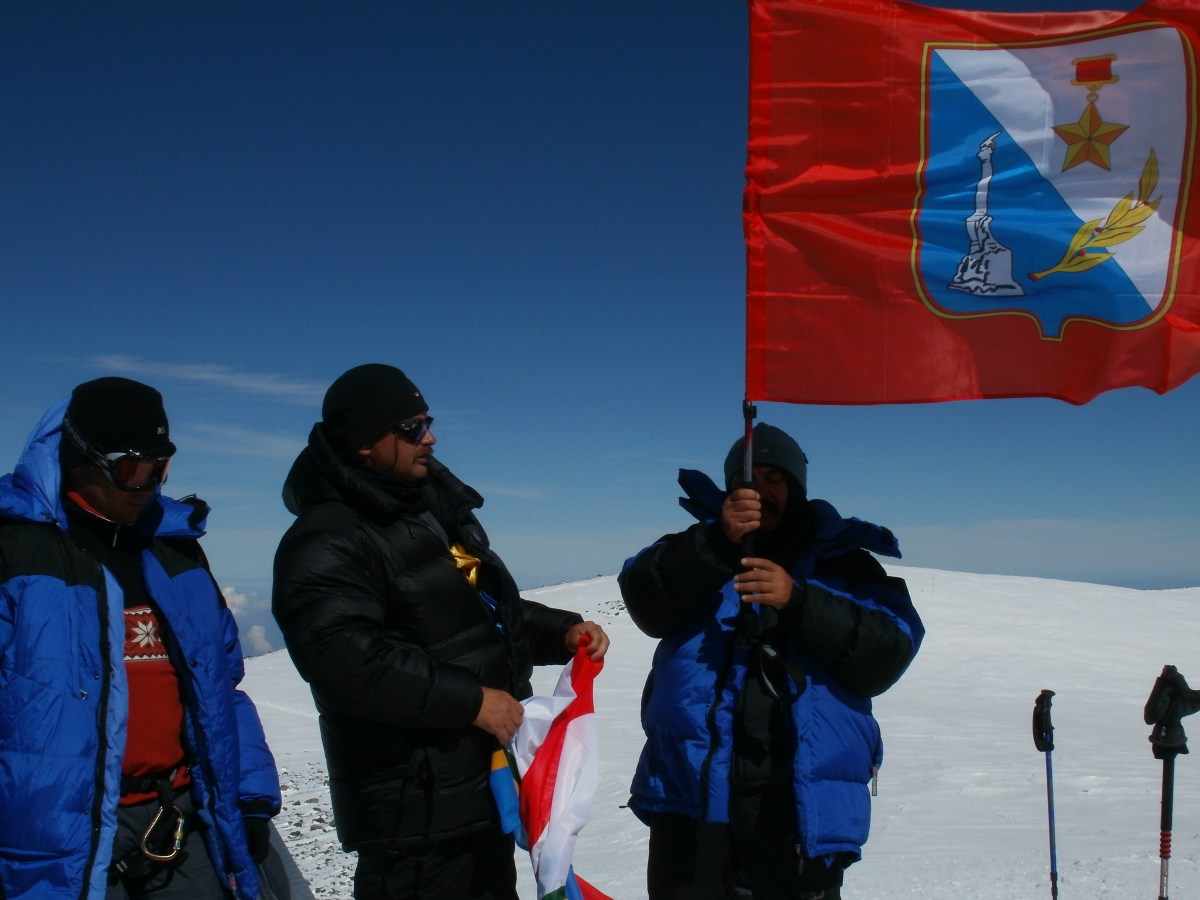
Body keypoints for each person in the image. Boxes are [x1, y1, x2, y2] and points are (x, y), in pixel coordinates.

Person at [271, 363, 609, 900]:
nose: (429, 437)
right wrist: (473, 702)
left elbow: (478, 613)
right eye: (409, 428)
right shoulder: (326, 539)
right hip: (414, 813)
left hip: (476, 790)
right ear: (362, 443)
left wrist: (563, 631)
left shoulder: (423, 511)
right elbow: (344, 660)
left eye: (426, 421)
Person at [0, 377, 282, 899]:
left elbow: (222, 684)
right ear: (82, 459)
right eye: (134, 470)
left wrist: (248, 795)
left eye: (162, 467)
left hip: (175, 812)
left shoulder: (175, 553)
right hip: (58, 828)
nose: (151, 486)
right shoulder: (18, 552)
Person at [620, 422, 924, 900]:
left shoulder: (847, 565)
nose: (759, 491)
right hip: (690, 797)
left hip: (798, 803)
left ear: (797, 488)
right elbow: (644, 598)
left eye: (774, 478)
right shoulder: (696, 547)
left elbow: (890, 649)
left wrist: (798, 601)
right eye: (747, 478)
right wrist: (717, 543)